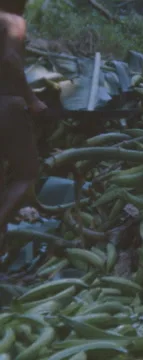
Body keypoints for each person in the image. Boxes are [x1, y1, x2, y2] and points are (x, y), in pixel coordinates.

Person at [0, 0, 47, 252]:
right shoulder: (12, 21)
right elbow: (10, 59)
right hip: (7, 107)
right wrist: (32, 99)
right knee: (27, 173)